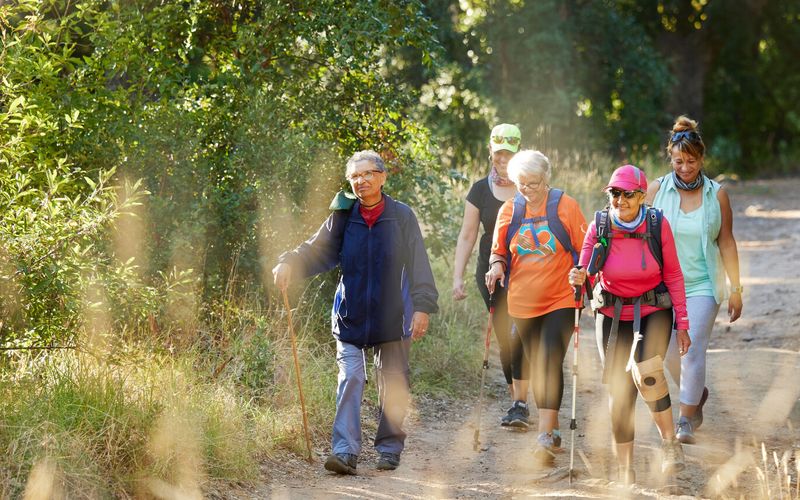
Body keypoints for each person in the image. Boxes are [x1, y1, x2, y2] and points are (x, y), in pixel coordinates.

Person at [272, 150, 439, 475]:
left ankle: (389, 449)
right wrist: (288, 260)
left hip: (393, 315)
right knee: (351, 377)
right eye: (354, 176)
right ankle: (345, 451)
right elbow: (317, 248)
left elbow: (419, 263)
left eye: (367, 174)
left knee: (392, 382)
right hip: (350, 313)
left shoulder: (401, 216)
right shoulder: (344, 216)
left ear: (382, 177)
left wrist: (422, 307)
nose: (361, 181)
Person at [569, 164, 691, 484]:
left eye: (627, 194)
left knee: (648, 371)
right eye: (614, 193)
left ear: (640, 196)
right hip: (611, 312)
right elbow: (585, 269)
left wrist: (683, 323)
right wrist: (579, 277)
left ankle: (669, 446)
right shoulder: (600, 224)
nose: (620, 200)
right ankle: (625, 468)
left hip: (653, 308)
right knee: (620, 392)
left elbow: (674, 275)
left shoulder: (656, 224)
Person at [484, 150, 586, 463]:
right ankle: (552, 430)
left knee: (547, 359)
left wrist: (582, 272)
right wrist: (496, 267)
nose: (528, 189)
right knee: (538, 362)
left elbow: (586, 250)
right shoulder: (509, 210)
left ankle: (543, 437)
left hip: (561, 298)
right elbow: (498, 251)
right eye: (522, 184)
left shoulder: (566, 206)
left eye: (535, 183)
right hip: (522, 302)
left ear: (547, 178)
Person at [646, 116, 743, 445]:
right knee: (668, 352)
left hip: (702, 285)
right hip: (662, 287)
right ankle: (696, 393)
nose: (684, 167)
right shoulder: (657, 190)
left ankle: (685, 419)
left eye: (691, 161)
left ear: (702, 160)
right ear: (670, 159)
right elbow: (637, 232)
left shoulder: (718, 195)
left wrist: (736, 288)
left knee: (692, 349)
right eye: (678, 161)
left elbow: (726, 241)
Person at [452, 123, 528, 427]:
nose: (503, 160)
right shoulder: (480, 189)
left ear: (518, 152)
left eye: (509, 154)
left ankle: (523, 399)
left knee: (522, 334)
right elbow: (467, 235)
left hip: (528, 272)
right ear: (490, 152)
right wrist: (457, 277)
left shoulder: (530, 186)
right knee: (506, 336)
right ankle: (517, 402)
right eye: (498, 154)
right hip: (490, 274)